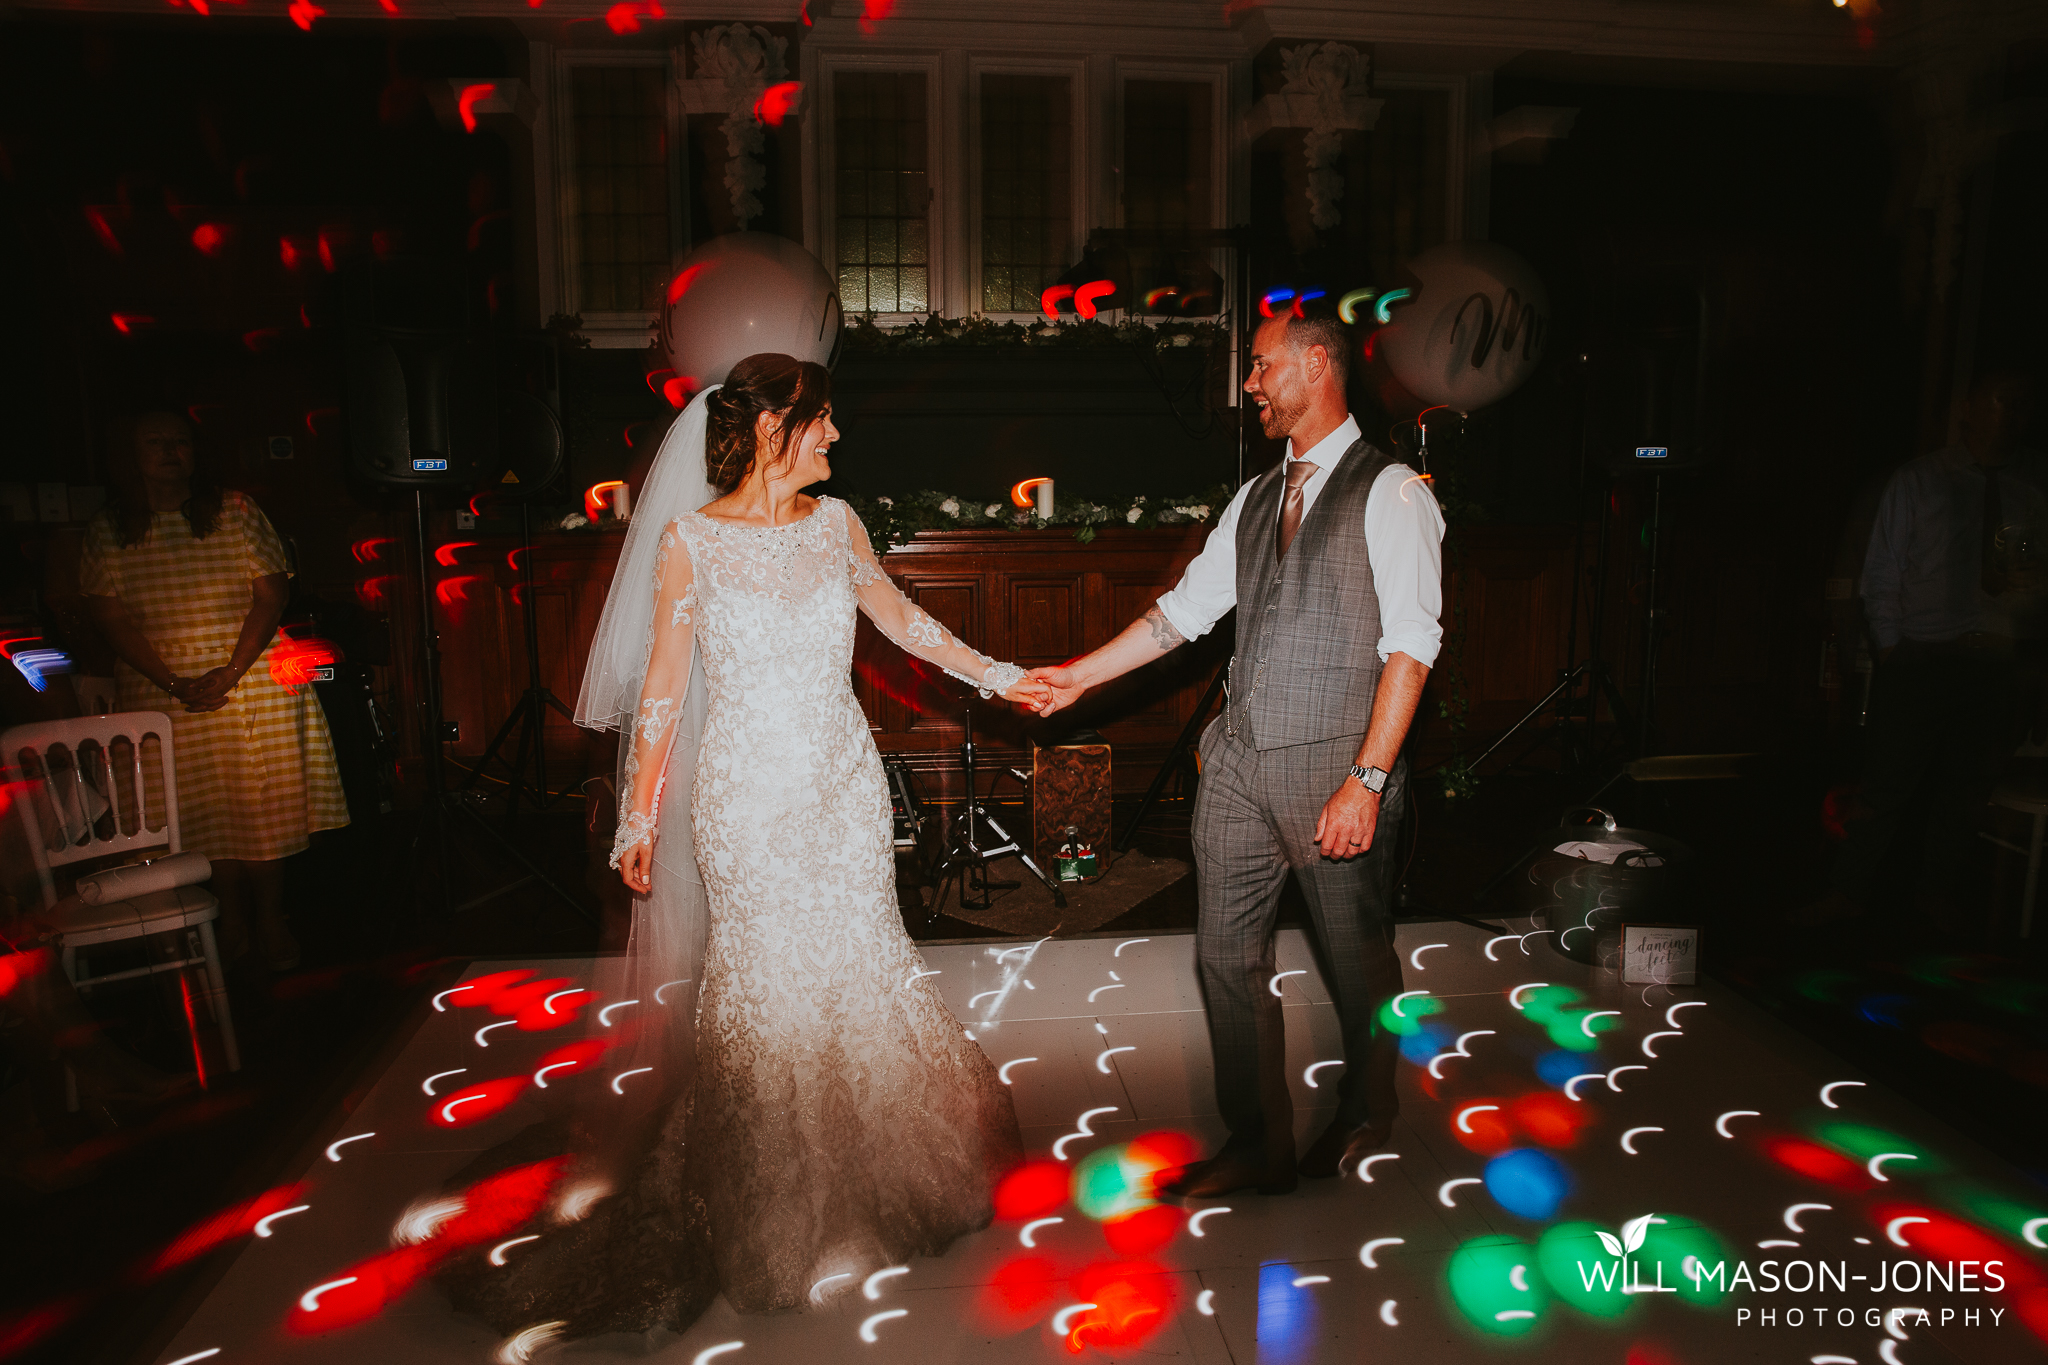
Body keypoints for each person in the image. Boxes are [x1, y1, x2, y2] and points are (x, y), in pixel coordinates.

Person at [443, 355, 1042, 1341]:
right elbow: (664, 691)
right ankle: (775, 1213)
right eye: (825, 423)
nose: (838, 439)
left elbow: (900, 621)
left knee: (861, 966)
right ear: (777, 429)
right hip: (748, 797)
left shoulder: (836, 525)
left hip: (841, 787)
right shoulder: (690, 544)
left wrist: (999, 675)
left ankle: (881, 1178)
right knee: (765, 992)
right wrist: (637, 819)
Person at [1028, 307, 1445, 1197]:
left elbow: (1412, 643)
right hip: (1241, 768)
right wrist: (1077, 677)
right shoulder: (1256, 498)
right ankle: (1257, 1141)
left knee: (1356, 957)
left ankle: (1369, 1110)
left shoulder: (1393, 491)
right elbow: (1180, 615)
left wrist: (1366, 781)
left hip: (1338, 771)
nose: (1249, 385)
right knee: (1225, 960)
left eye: (1261, 367)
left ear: (1317, 363)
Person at [78, 411, 348, 971]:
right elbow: (110, 616)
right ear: (131, 455)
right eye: (155, 440)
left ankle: (272, 921)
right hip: (162, 688)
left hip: (250, 679)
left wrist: (228, 671)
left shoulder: (236, 510)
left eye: (180, 440)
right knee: (204, 814)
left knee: (260, 809)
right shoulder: (109, 527)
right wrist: (172, 681)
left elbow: (270, 595)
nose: (170, 450)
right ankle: (229, 923)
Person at [1811, 368, 2045, 929]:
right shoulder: (1920, 481)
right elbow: (1883, 569)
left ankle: (1935, 896)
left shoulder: (2036, 487)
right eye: (2000, 401)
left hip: (1997, 660)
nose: (2011, 413)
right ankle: (1848, 892)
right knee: (1886, 785)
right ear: (1968, 408)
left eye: (2021, 403)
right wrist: (1892, 649)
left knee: (1967, 790)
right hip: (1926, 655)